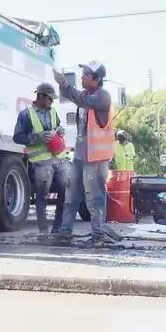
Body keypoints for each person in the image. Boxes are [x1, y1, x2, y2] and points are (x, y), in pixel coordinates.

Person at [53, 61, 116, 245]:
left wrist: (65, 84)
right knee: (71, 194)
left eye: (86, 74)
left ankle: (98, 236)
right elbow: (77, 97)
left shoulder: (102, 97)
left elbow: (81, 100)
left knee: (94, 198)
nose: (82, 77)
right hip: (80, 156)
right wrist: (63, 85)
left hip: (94, 158)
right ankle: (65, 231)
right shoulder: (87, 95)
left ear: (96, 79)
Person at [13, 83, 69, 234]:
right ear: (40, 97)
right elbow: (17, 137)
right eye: (50, 99)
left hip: (59, 158)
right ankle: (43, 232)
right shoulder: (26, 114)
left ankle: (57, 229)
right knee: (42, 198)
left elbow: (57, 127)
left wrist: (60, 131)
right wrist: (36, 137)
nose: (52, 102)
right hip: (41, 162)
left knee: (64, 193)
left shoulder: (53, 111)